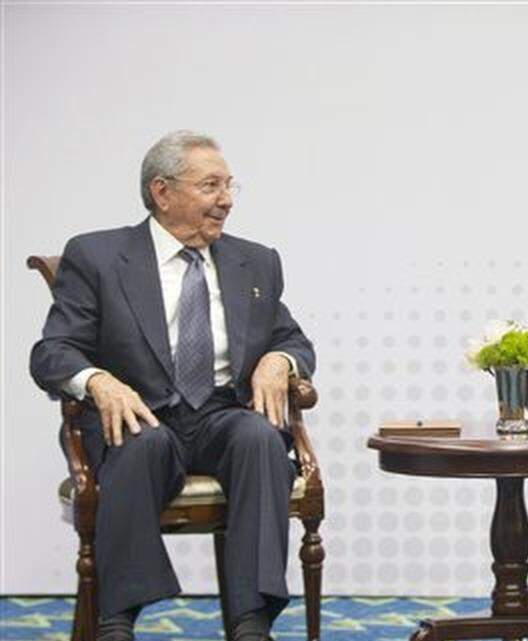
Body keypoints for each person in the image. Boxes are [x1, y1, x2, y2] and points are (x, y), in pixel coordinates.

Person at [30, 131, 316, 641]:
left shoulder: (255, 261)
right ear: (162, 192)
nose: (226, 199)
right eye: (210, 185)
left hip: (219, 418)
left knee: (258, 439)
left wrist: (280, 358)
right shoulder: (98, 256)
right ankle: (116, 621)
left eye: (229, 185)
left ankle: (251, 623)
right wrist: (97, 381)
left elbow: (293, 337)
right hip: (136, 417)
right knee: (144, 441)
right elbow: (51, 352)